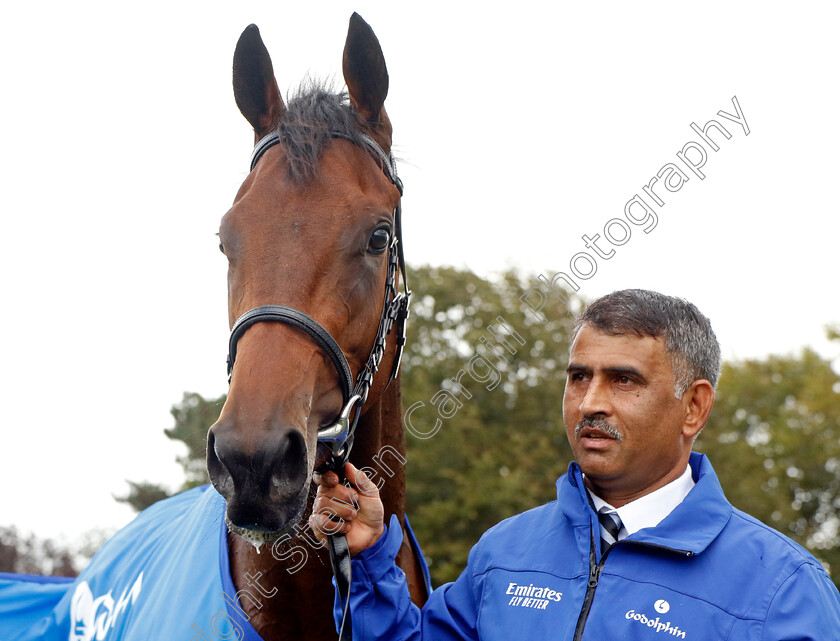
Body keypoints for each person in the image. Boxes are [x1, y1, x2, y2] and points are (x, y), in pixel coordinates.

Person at [311, 289, 840, 640]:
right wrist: (370, 557)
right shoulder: (504, 552)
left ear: (694, 407)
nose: (589, 403)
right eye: (579, 377)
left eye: (624, 380)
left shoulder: (783, 590)